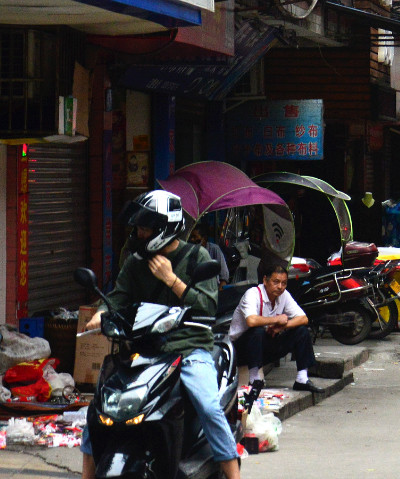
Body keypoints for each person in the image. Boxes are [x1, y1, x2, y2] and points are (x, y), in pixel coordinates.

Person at [81, 190, 239, 479]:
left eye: (145, 228)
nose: (139, 234)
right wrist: (101, 313)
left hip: (189, 349)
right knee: (99, 410)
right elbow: (118, 297)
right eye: (138, 228)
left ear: (164, 228)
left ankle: (233, 474)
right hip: (144, 351)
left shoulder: (197, 256)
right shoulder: (135, 262)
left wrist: (171, 279)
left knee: (208, 407)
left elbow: (207, 305)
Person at [232, 256, 315, 392]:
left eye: (284, 283)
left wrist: (282, 326)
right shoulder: (252, 294)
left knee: (301, 331)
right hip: (241, 350)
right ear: (265, 280)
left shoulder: (284, 295)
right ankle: (254, 379)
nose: (280, 287)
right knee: (257, 331)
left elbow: (303, 318)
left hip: (265, 346)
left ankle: (302, 378)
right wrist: (276, 320)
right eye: (276, 282)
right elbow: (251, 321)